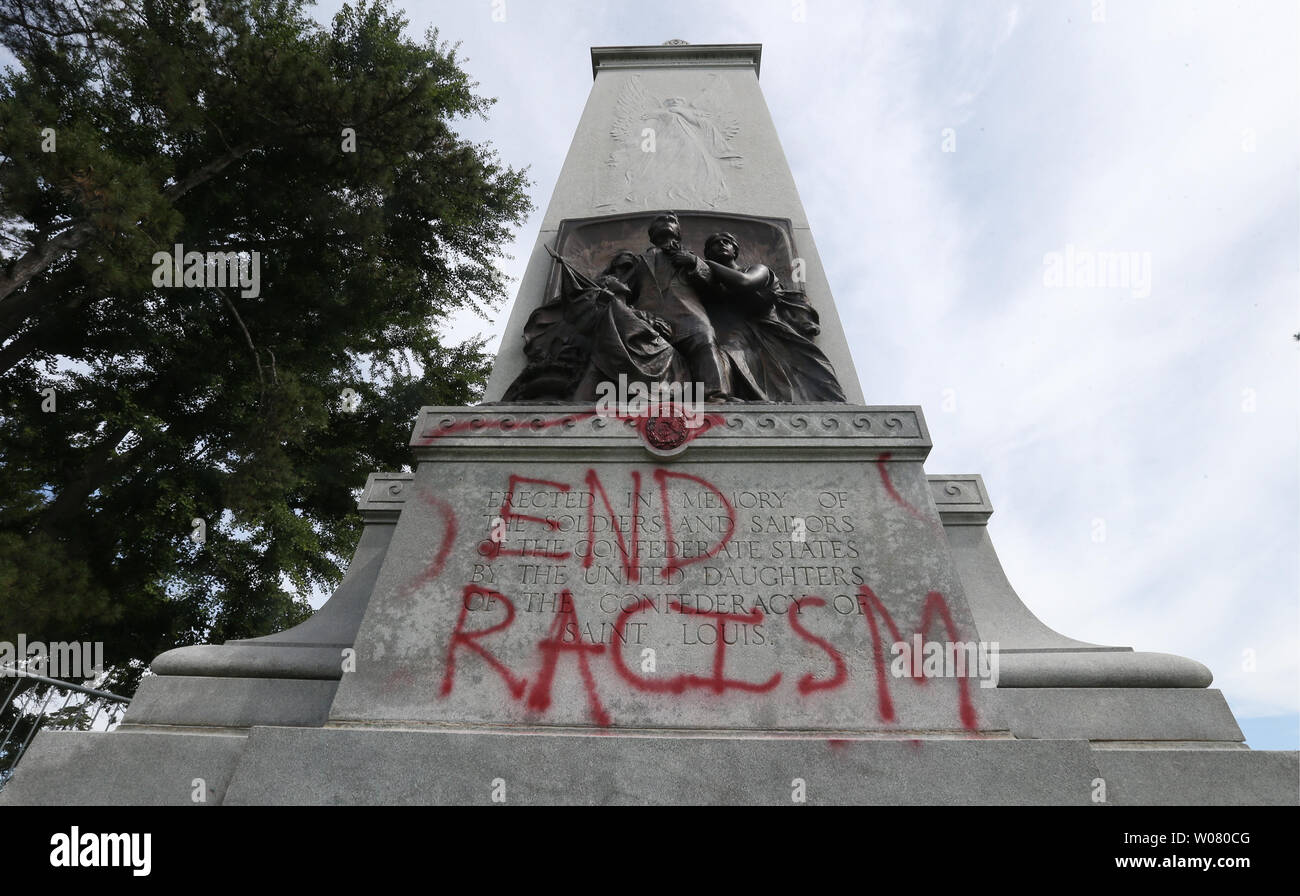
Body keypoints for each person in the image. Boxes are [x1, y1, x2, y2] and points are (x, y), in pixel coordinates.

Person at [700, 231, 846, 403]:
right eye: (715, 243)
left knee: (816, 378)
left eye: (727, 241)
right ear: (709, 252)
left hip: (773, 334)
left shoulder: (758, 270)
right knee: (725, 356)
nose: (722, 244)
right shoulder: (712, 286)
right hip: (741, 336)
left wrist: (706, 264)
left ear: (735, 250)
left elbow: (744, 281)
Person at [622, 213, 731, 402]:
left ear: (678, 232)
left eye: (672, 221)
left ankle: (715, 395)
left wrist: (694, 263)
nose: (666, 223)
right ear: (652, 233)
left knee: (704, 342)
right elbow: (623, 292)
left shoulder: (691, 258)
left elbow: (715, 289)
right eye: (661, 221)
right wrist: (637, 314)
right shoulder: (639, 261)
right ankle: (643, 396)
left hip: (689, 316)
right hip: (651, 320)